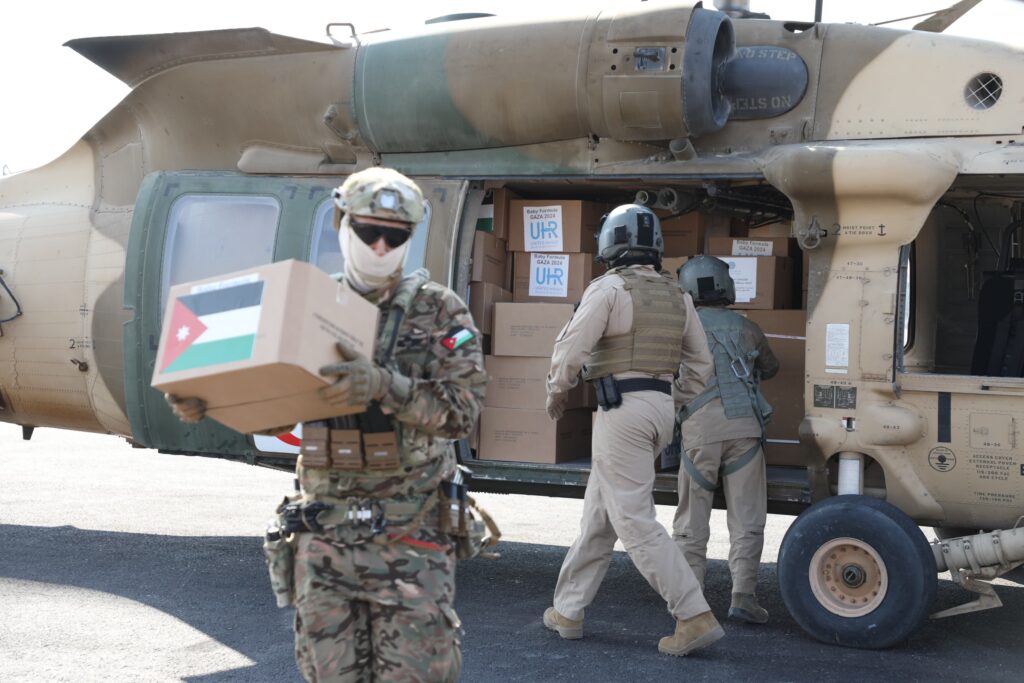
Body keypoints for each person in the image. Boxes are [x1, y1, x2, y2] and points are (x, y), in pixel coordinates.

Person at [166, 167, 487, 682]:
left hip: (410, 534)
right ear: (342, 223)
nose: (380, 246)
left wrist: (384, 385)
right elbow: (276, 403)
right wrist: (210, 400)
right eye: (369, 230)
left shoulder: (440, 312)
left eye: (395, 236)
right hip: (324, 533)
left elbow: (463, 412)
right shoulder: (308, 306)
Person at [541, 204, 724, 657]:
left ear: (610, 243)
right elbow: (701, 366)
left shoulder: (608, 288)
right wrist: (667, 398)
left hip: (622, 411)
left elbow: (571, 349)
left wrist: (556, 392)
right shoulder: (678, 296)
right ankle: (568, 610)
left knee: (634, 520)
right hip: (660, 408)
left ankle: (693, 613)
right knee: (600, 516)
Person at [673, 254, 779, 624]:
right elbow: (771, 367)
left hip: (699, 433)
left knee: (691, 522)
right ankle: (743, 597)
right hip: (744, 432)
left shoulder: (681, 327)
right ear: (725, 286)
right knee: (747, 518)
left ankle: (691, 604)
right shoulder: (747, 327)